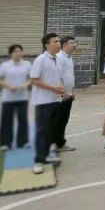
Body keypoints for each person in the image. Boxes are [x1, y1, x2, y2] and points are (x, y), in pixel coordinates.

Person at [30, 33, 66, 174]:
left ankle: (44, 157)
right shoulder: (41, 59)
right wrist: (54, 89)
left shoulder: (57, 59)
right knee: (42, 131)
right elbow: (34, 80)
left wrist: (62, 89)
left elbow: (59, 78)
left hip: (56, 100)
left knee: (50, 132)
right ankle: (38, 161)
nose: (58, 43)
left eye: (59, 41)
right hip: (43, 102)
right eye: (55, 41)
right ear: (47, 45)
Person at [0, 44, 31, 151]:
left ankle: (23, 142)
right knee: (6, 120)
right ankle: (5, 143)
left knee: (23, 119)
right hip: (8, 98)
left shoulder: (27, 64)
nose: (18, 53)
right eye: (16, 51)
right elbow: (0, 79)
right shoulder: (5, 65)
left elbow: (32, 78)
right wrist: (8, 85)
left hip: (22, 97)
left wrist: (26, 84)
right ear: (10, 54)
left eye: (20, 51)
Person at [52, 36, 77, 153]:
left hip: (68, 94)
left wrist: (72, 92)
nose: (75, 45)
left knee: (64, 120)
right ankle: (57, 143)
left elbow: (70, 76)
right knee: (59, 120)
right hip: (62, 95)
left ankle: (59, 143)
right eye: (72, 43)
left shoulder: (69, 58)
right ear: (65, 45)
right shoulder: (59, 57)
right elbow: (58, 76)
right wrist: (63, 92)